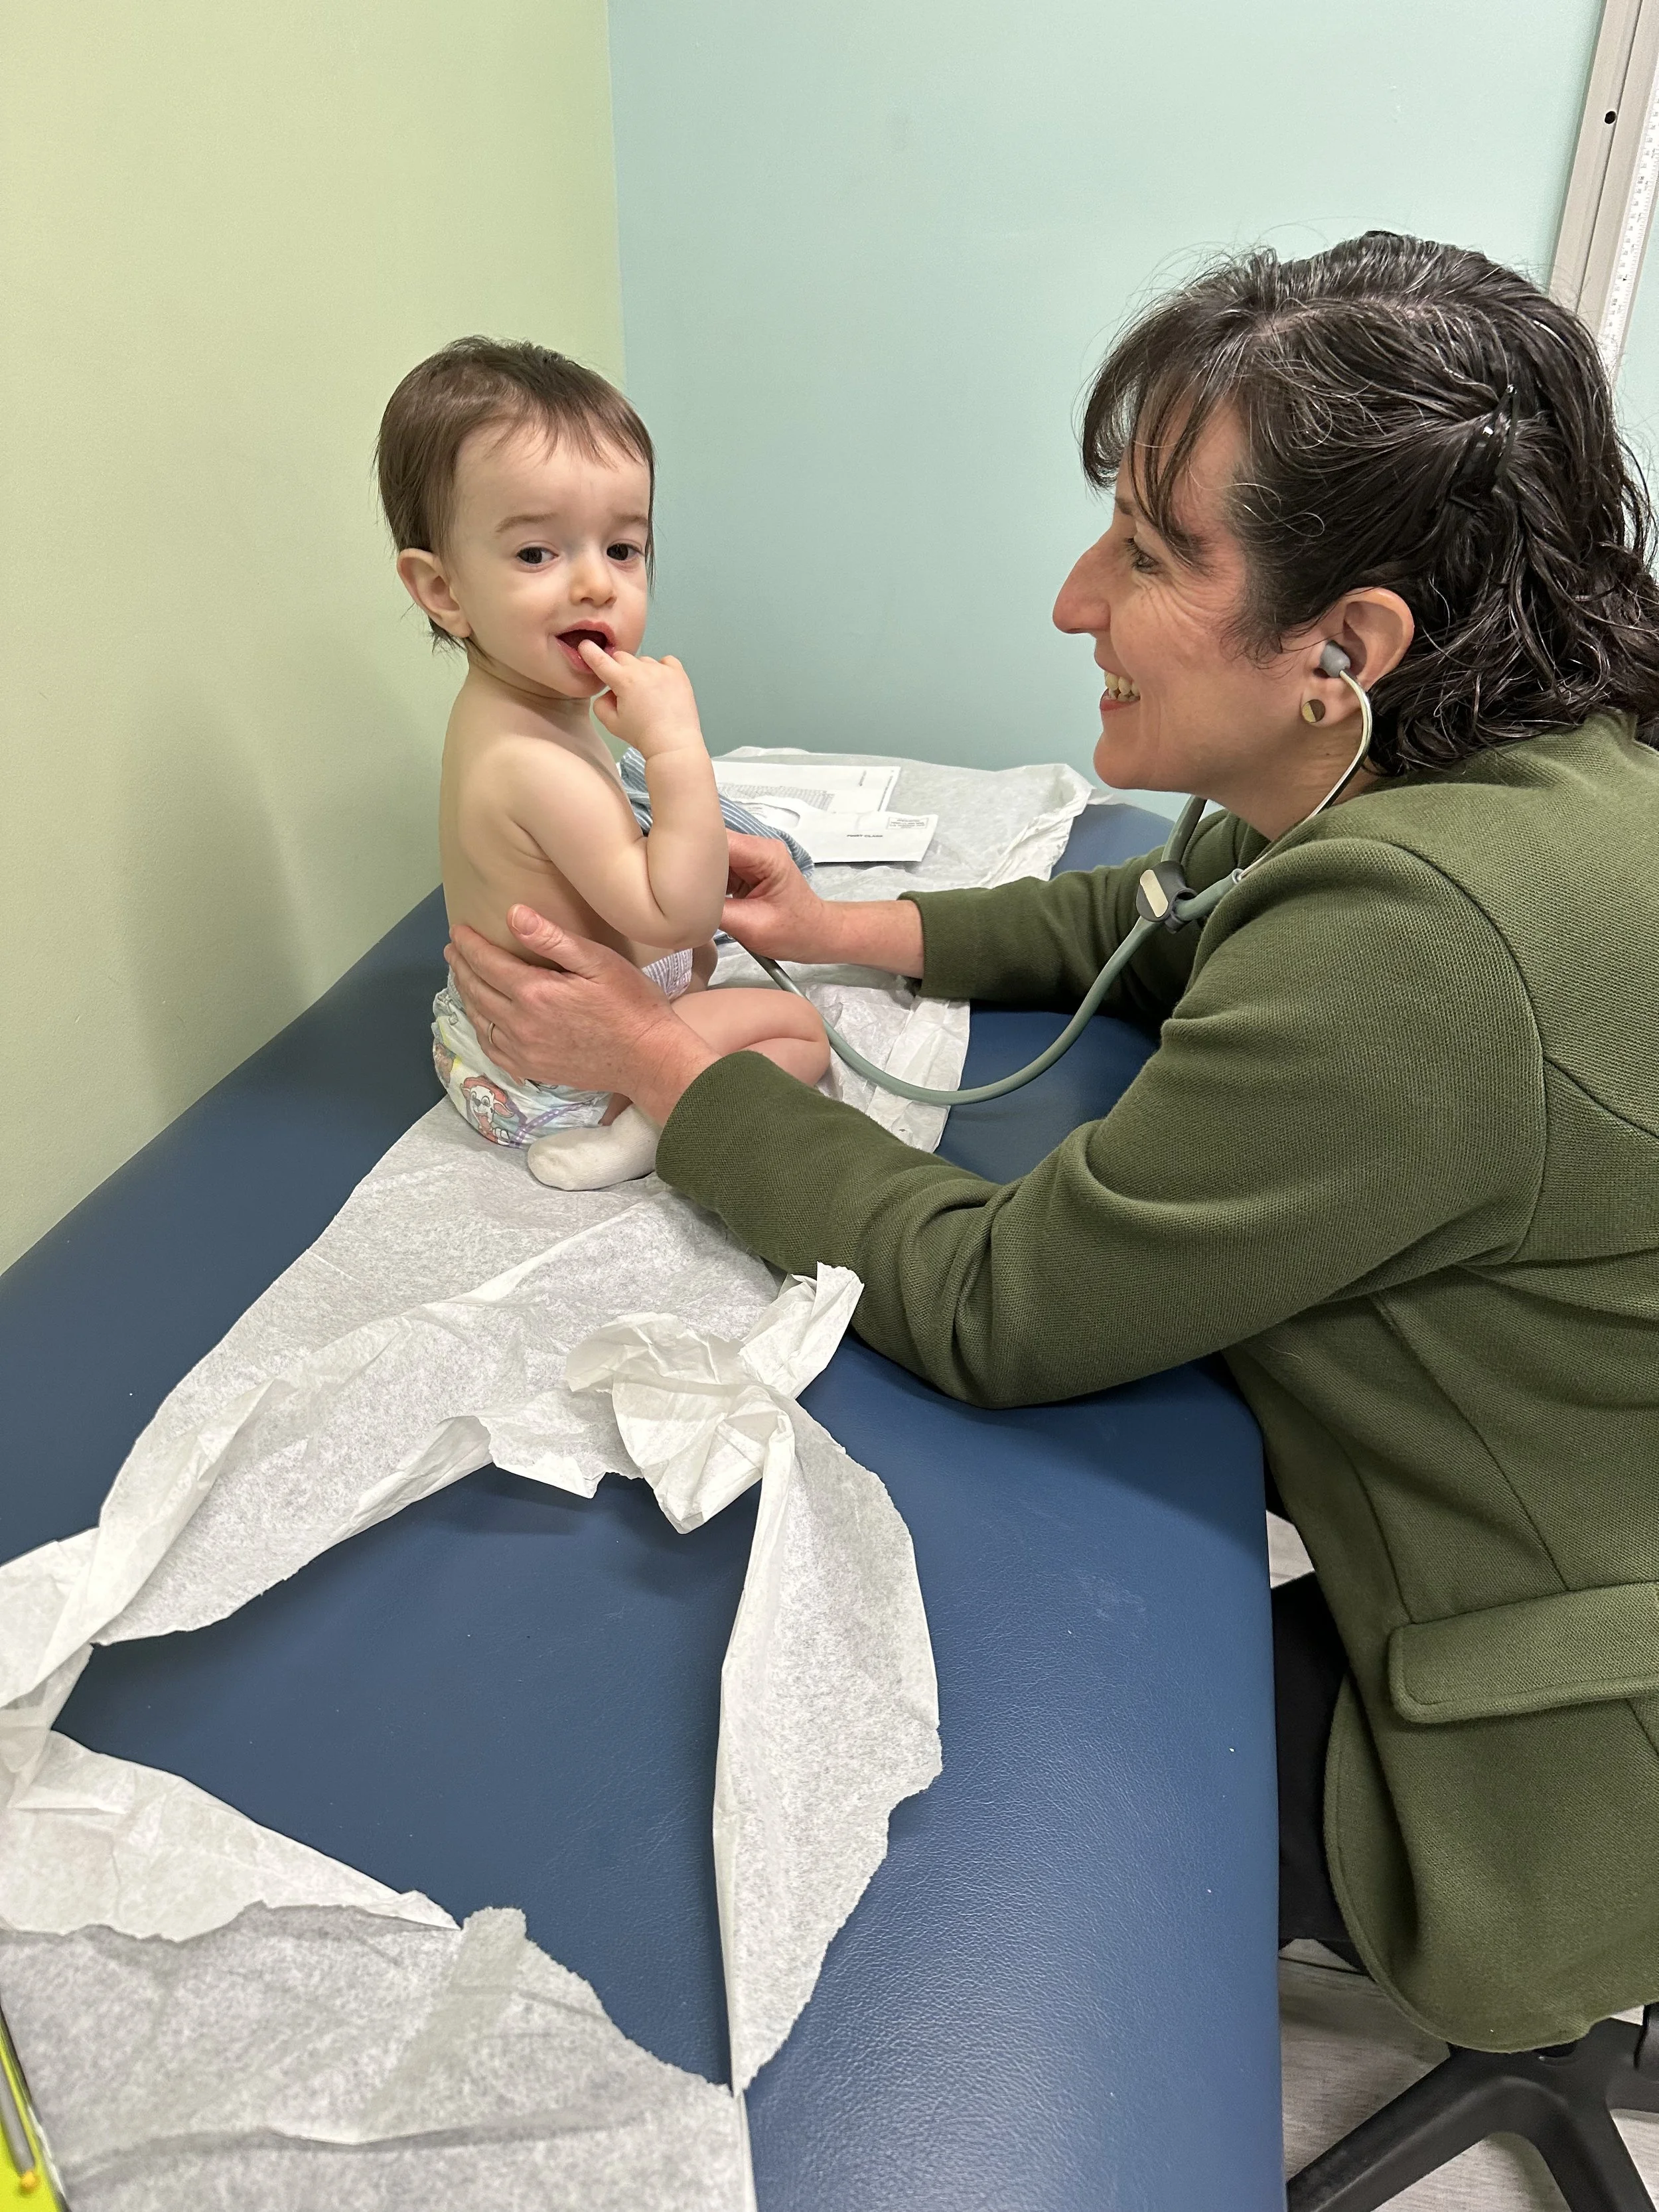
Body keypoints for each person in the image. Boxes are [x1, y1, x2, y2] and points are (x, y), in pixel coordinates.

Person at [442, 234, 1659, 2053]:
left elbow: (1001, 1303)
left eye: (1154, 554)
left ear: (1347, 644)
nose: (1077, 599)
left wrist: (662, 1065)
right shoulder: (1458, 761)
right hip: (1565, 1514)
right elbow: (1168, 916)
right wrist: (843, 928)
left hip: (1549, 1736)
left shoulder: (1415, 945)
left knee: (901, 1748)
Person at [377, 338, 827, 1190]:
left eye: (622, 549)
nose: (596, 586)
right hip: (561, 1075)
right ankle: (644, 1131)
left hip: (482, 1040)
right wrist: (674, 749)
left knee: (693, 975)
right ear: (442, 592)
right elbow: (680, 916)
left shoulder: (509, 709)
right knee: (797, 1027)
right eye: (537, 554)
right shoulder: (530, 761)